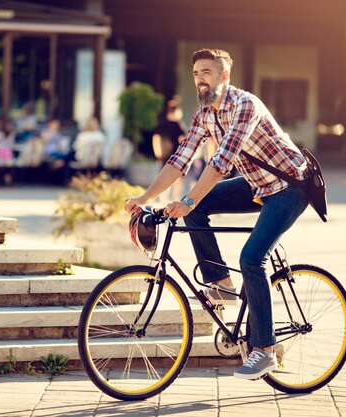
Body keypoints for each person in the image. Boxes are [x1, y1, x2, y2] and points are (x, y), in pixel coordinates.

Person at [124, 48, 310, 381]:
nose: (200, 80)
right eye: (196, 74)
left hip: (290, 186)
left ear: (224, 76)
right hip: (257, 185)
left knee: (252, 258)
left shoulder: (245, 106)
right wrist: (145, 196)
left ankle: (264, 351)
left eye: (207, 72)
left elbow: (220, 163)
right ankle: (220, 283)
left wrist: (188, 201)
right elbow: (179, 159)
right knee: (198, 205)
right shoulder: (204, 114)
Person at [152, 99, 186, 202]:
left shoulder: (162, 123)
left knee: (163, 176)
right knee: (178, 178)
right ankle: (175, 199)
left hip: (164, 154)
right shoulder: (178, 124)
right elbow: (183, 140)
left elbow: (156, 138)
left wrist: (157, 153)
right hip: (177, 154)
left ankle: (164, 200)